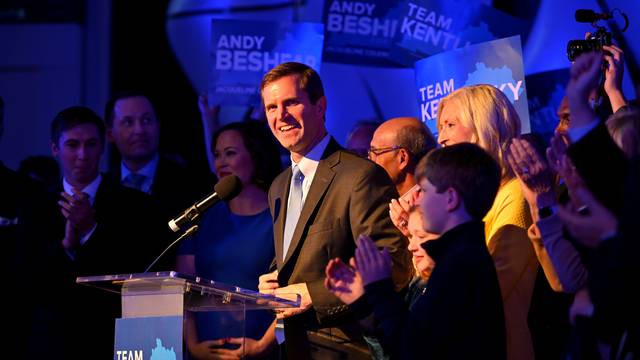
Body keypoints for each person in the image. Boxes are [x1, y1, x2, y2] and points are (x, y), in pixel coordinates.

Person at [257, 62, 413, 359]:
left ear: (320, 105)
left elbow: (395, 264)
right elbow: (299, 260)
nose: (281, 116)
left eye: (291, 103)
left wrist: (313, 295)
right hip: (293, 349)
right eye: (271, 107)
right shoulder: (278, 186)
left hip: (347, 349)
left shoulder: (360, 177)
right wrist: (273, 278)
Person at [325, 143, 506, 359]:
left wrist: (380, 287)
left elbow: (413, 348)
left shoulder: (460, 265)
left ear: (450, 198)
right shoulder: (459, 257)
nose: (418, 199)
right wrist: (364, 303)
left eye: (425, 190)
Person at [22, 106, 163, 359]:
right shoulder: (35, 206)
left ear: (103, 146)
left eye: (91, 144)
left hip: (111, 338)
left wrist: (90, 230)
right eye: (72, 145)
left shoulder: (136, 205)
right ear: (55, 148)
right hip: (51, 342)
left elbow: (139, 270)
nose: (82, 154)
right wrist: (66, 245)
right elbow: (26, 279)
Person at [436, 84, 537, 360]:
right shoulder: (473, 199)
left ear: (484, 127)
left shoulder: (515, 194)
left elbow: (488, 286)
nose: (441, 138)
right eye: (440, 127)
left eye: (450, 125)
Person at [176, 121, 283, 359]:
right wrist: (193, 345)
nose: (221, 162)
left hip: (262, 351)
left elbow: (293, 297)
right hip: (204, 352)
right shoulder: (202, 218)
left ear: (255, 156)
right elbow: (183, 291)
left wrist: (263, 345)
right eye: (217, 155)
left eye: (230, 153)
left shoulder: (282, 219)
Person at [105, 91, 213, 268]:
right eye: (128, 122)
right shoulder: (104, 188)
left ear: (158, 125)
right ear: (110, 133)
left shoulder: (189, 183)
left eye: (147, 120)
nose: (139, 130)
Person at [368, 117, 437, 196]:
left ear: (403, 158)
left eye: (375, 152)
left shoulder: (430, 205)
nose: (369, 159)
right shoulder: (384, 203)